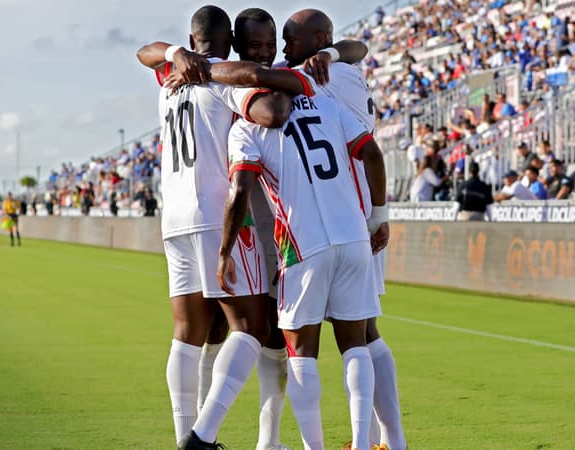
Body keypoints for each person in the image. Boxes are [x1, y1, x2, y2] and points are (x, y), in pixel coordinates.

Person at [136, 6, 311, 448]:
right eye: (254, 48)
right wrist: (254, 74)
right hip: (223, 215)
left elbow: (146, 52)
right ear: (231, 44)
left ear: (191, 41)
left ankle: (189, 436)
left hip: (174, 216)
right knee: (252, 327)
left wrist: (175, 54)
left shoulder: (169, 80)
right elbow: (272, 112)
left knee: (188, 332)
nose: (264, 54)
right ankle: (201, 437)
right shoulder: (217, 79)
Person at [223, 73, 388, 450]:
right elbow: (372, 153)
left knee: (301, 351)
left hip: (302, 243)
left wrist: (224, 250)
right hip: (353, 235)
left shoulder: (247, 129)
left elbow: (241, 189)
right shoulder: (329, 106)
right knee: (355, 343)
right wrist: (380, 215)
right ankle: (362, 443)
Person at [281, 9, 407, 450]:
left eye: (290, 40)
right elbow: (357, 47)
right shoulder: (339, 67)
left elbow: (351, 47)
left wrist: (378, 215)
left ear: (315, 40)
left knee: (363, 333)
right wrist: (331, 50)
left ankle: (390, 438)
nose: (283, 50)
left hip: (353, 215)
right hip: (357, 215)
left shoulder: (327, 74)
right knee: (362, 333)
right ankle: (377, 439)